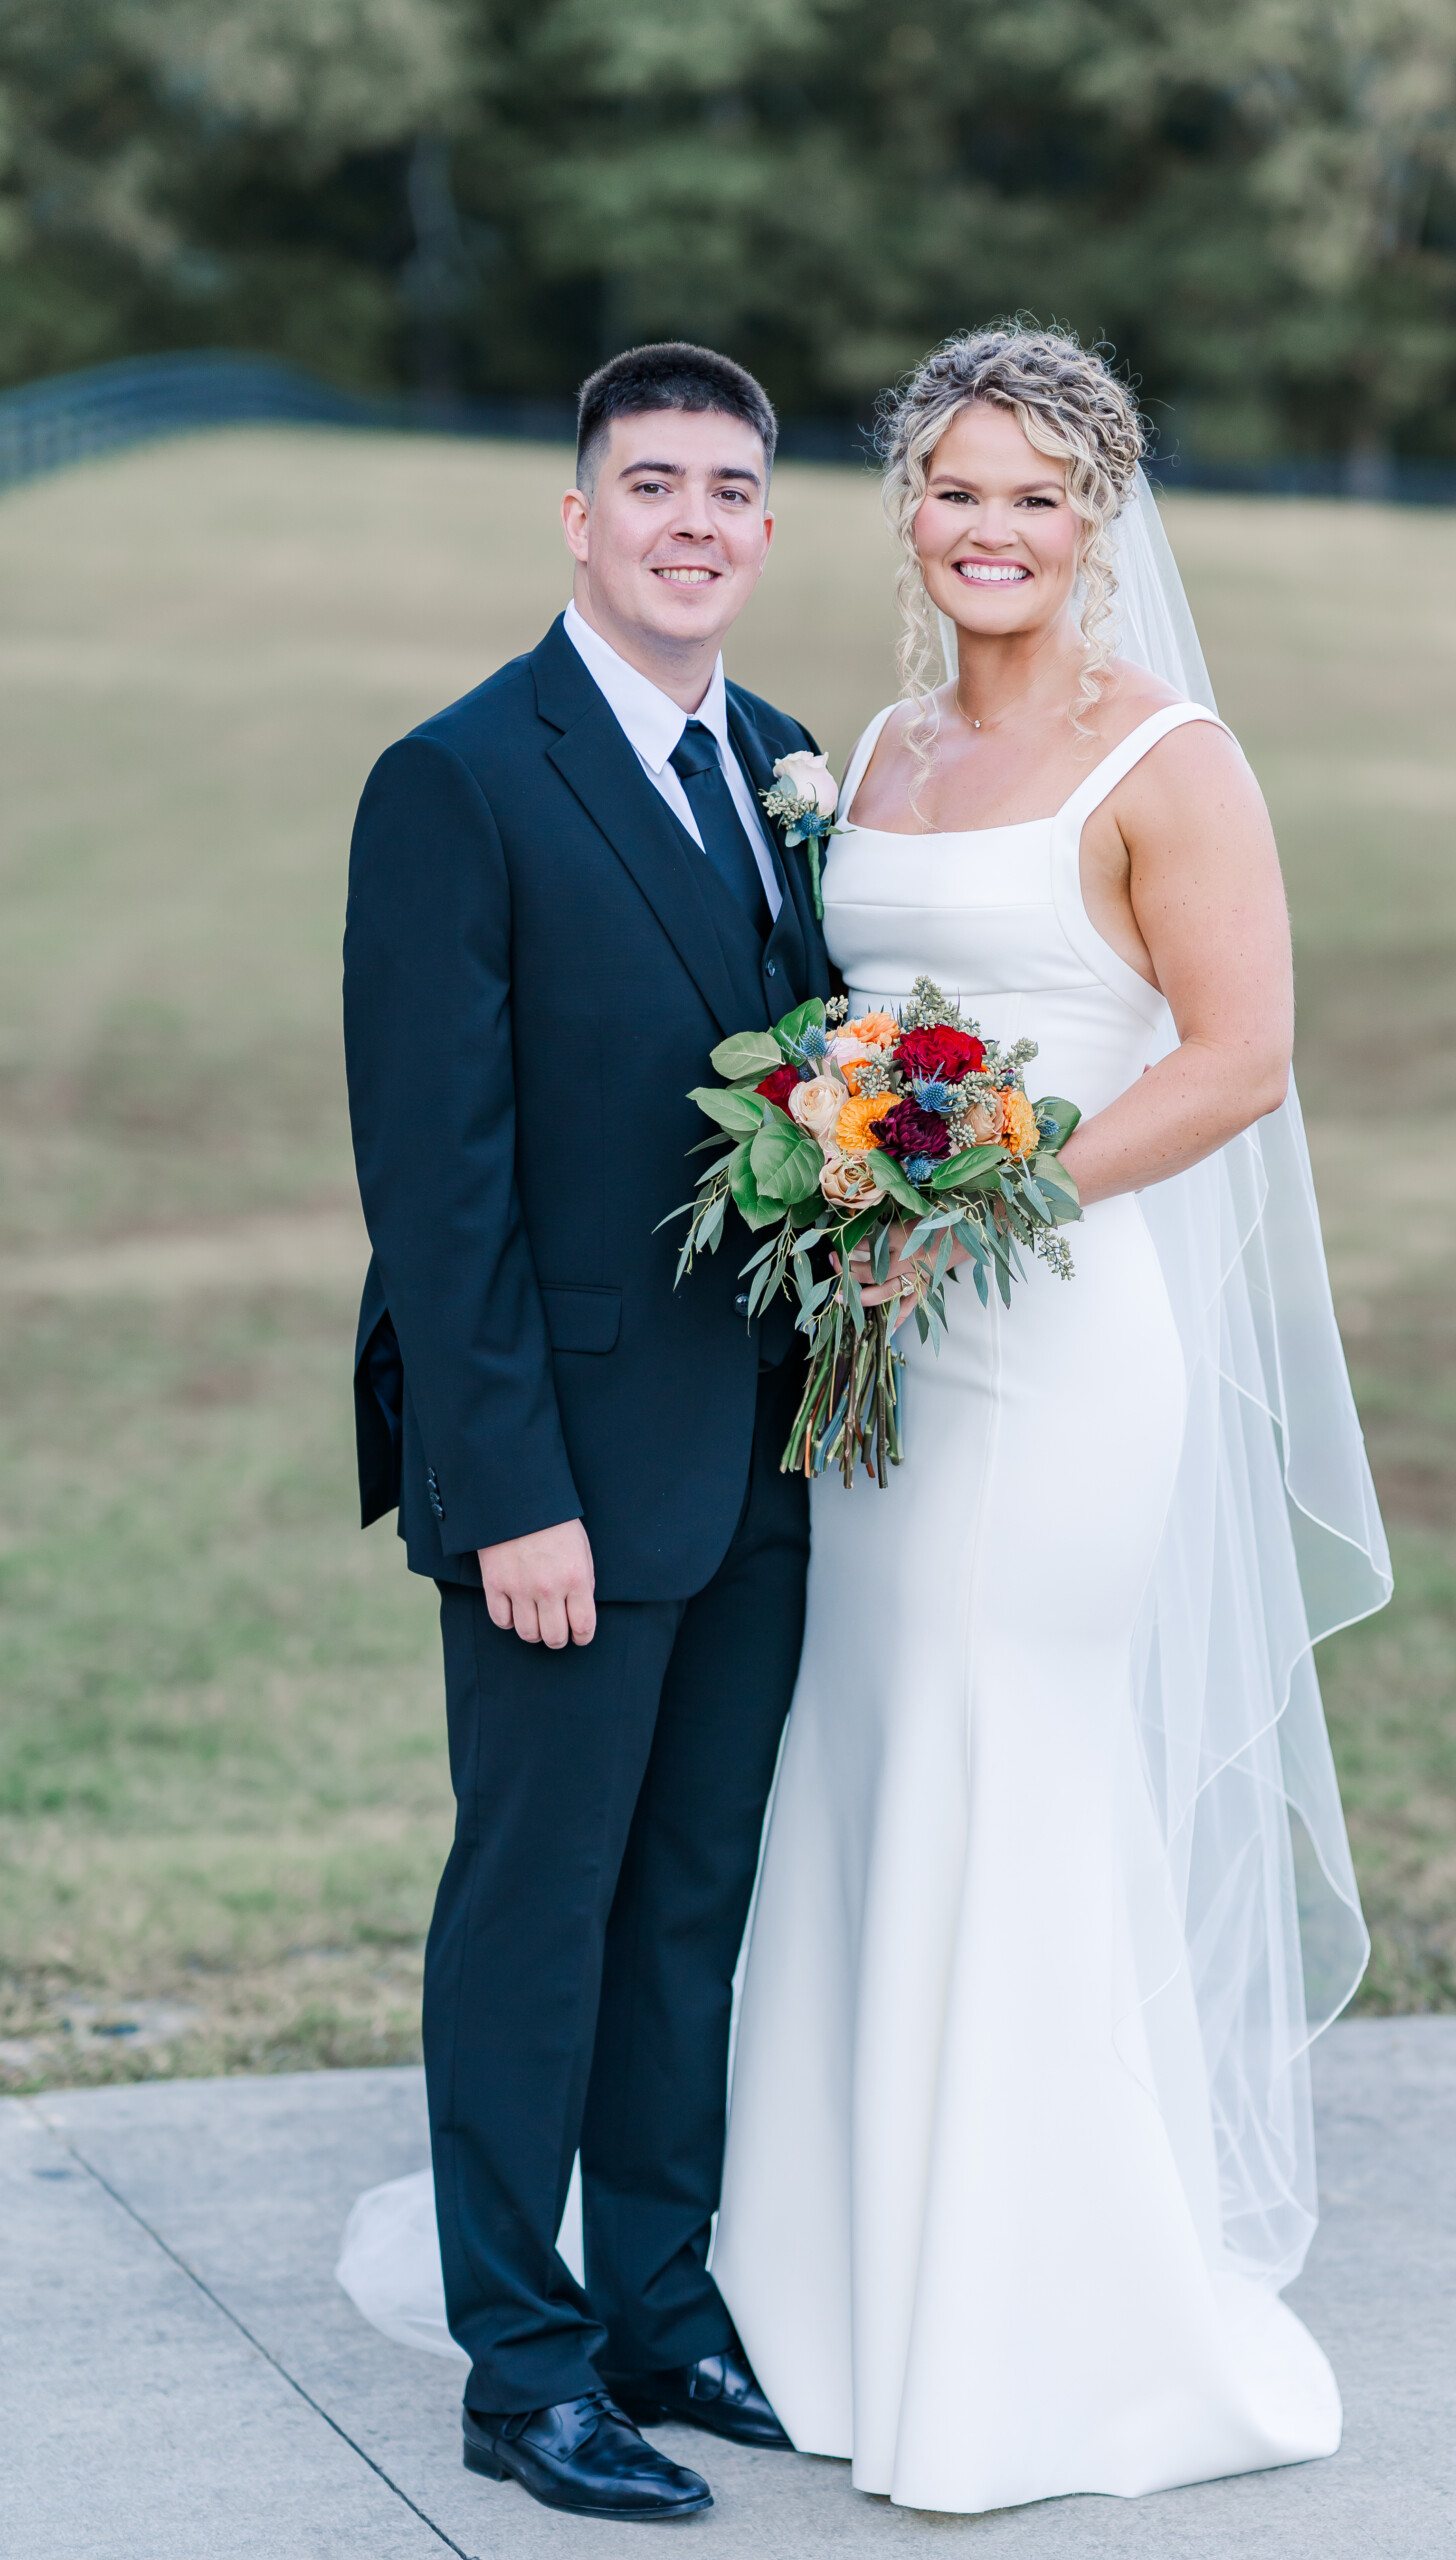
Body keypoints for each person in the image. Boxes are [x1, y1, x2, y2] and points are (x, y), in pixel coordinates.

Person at [710, 322, 1392, 2513]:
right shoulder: (881, 748)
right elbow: (848, 1013)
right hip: (882, 1338)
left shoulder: (1165, 756)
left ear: (1098, 520)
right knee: (873, 1740)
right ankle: (836, 2289)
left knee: (1009, 1751)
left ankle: (1036, 2328)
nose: (988, 528)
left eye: (1034, 493)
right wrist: (841, 1180)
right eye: (952, 487)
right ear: (902, 508)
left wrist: (977, 1194)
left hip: (1062, 1332)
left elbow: (1234, 1057)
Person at [339, 341, 833, 2523]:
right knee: (534, 1913)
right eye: (653, 483)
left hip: (761, 1458)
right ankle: (518, 2364)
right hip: (559, 1472)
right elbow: (433, 1184)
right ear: (575, 513)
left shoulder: (786, 760)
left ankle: (659, 2299)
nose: (694, 521)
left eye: (731, 488)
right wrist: (504, 1483)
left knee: (686, 1904)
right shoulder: (456, 777)